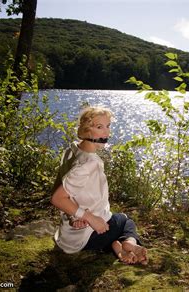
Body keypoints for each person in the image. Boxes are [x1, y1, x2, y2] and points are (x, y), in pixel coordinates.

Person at [51, 106, 147, 265]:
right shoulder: (89, 163)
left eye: (108, 126)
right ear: (87, 130)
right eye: (99, 127)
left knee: (110, 219)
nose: (107, 132)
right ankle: (129, 242)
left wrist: (76, 215)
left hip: (67, 238)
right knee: (125, 220)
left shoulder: (72, 150)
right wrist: (90, 218)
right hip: (86, 239)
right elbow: (57, 198)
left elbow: (63, 189)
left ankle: (118, 247)